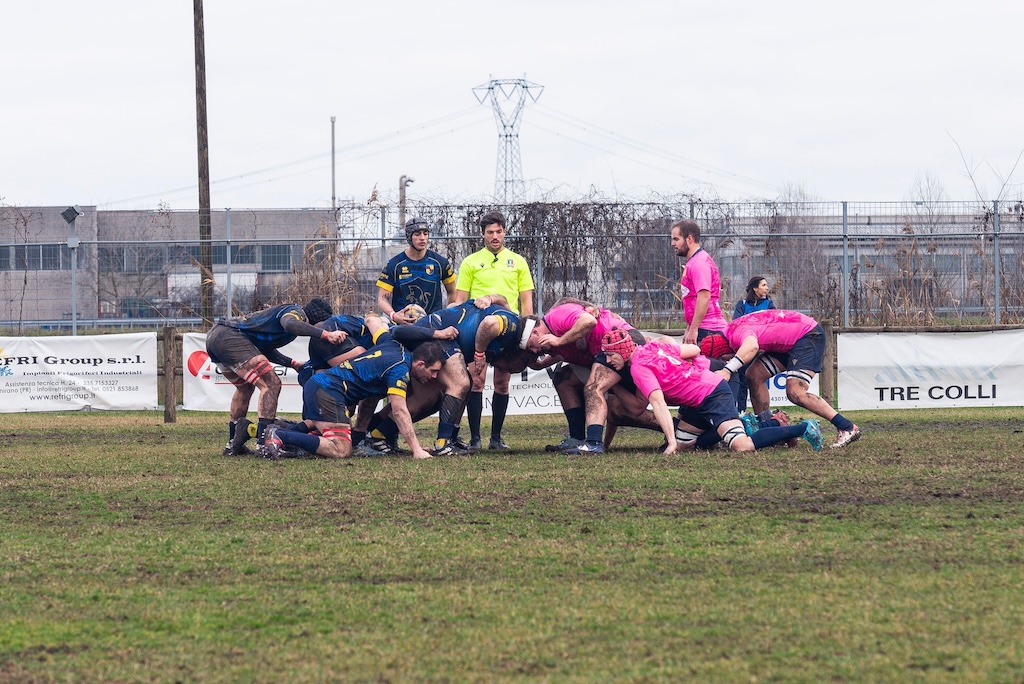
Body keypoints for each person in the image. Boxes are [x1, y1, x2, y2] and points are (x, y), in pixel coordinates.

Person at [601, 328, 823, 454]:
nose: (609, 361)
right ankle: (761, 425)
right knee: (685, 446)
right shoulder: (653, 347)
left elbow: (658, 404)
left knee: (741, 446)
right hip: (696, 398)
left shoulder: (639, 368)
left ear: (622, 351)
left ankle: (803, 427)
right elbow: (694, 349)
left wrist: (669, 442)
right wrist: (691, 367)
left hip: (712, 393)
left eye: (611, 355)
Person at [377, 297, 525, 456]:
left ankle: (380, 434)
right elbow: (398, 331)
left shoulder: (505, 331)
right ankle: (442, 443)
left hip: (446, 339)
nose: (504, 369)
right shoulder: (507, 326)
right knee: (458, 384)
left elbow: (501, 300)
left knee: (453, 390)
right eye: (510, 368)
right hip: (440, 336)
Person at [263, 337, 447, 461]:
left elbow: (370, 397)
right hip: (329, 391)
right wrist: (416, 450)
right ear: (420, 364)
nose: (434, 377)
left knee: (319, 427)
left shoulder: (394, 347)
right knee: (342, 449)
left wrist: (359, 435)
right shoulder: (399, 369)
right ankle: (280, 434)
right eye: (433, 371)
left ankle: (271, 434)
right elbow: (399, 410)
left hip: (322, 386)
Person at [700, 309, 861, 448]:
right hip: (790, 339)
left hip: (807, 335)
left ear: (722, 351)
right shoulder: (731, 329)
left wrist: (728, 369)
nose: (727, 360)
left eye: (723, 359)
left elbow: (752, 346)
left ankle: (846, 426)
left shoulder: (736, 334)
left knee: (795, 392)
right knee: (753, 375)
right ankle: (768, 425)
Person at [205, 298, 344, 456]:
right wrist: (326, 334)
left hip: (216, 337)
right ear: (318, 319)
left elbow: (262, 349)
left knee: (245, 388)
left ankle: (233, 444)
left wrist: (292, 363)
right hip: (230, 337)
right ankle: (264, 444)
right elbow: (289, 323)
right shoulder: (297, 313)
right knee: (271, 384)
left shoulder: (280, 318)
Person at [521, 298, 660, 454]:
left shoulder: (555, 317)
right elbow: (561, 353)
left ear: (535, 332)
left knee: (597, 389)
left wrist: (559, 340)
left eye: (531, 346)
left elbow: (588, 321)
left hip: (618, 342)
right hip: (605, 352)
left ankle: (593, 443)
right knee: (563, 378)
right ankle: (576, 439)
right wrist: (540, 364)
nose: (534, 351)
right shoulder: (548, 340)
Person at [453, 210, 535, 451]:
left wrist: (526, 330)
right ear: (482, 235)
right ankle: (475, 439)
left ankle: (496, 439)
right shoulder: (470, 262)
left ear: (505, 232)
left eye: (499, 231)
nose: (495, 236)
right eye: (490, 232)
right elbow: (459, 301)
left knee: (502, 382)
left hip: (508, 330)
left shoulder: (518, 261)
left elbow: (527, 303)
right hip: (477, 330)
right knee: (475, 381)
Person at [376, 217, 457, 324]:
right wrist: (394, 315)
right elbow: (382, 299)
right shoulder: (395, 265)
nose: (422, 238)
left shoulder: (439, 262)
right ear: (409, 237)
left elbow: (452, 291)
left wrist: (445, 316)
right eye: (417, 234)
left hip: (432, 324)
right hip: (403, 326)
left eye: (425, 233)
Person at [670, 219, 727, 345]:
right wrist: (690, 327)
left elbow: (704, 296)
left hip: (708, 330)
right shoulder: (695, 261)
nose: (672, 243)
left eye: (676, 239)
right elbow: (693, 298)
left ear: (689, 238)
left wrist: (694, 329)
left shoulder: (698, 263)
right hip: (703, 328)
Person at [730, 276, 777, 412]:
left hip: (762, 348)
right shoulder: (742, 304)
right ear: (755, 288)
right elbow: (736, 322)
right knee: (742, 380)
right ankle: (741, 412)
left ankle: (762, 414)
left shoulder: (769, 304)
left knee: (757, 381)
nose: (767, 288)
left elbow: (773, 323)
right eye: (764, 285)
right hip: (746, 347)